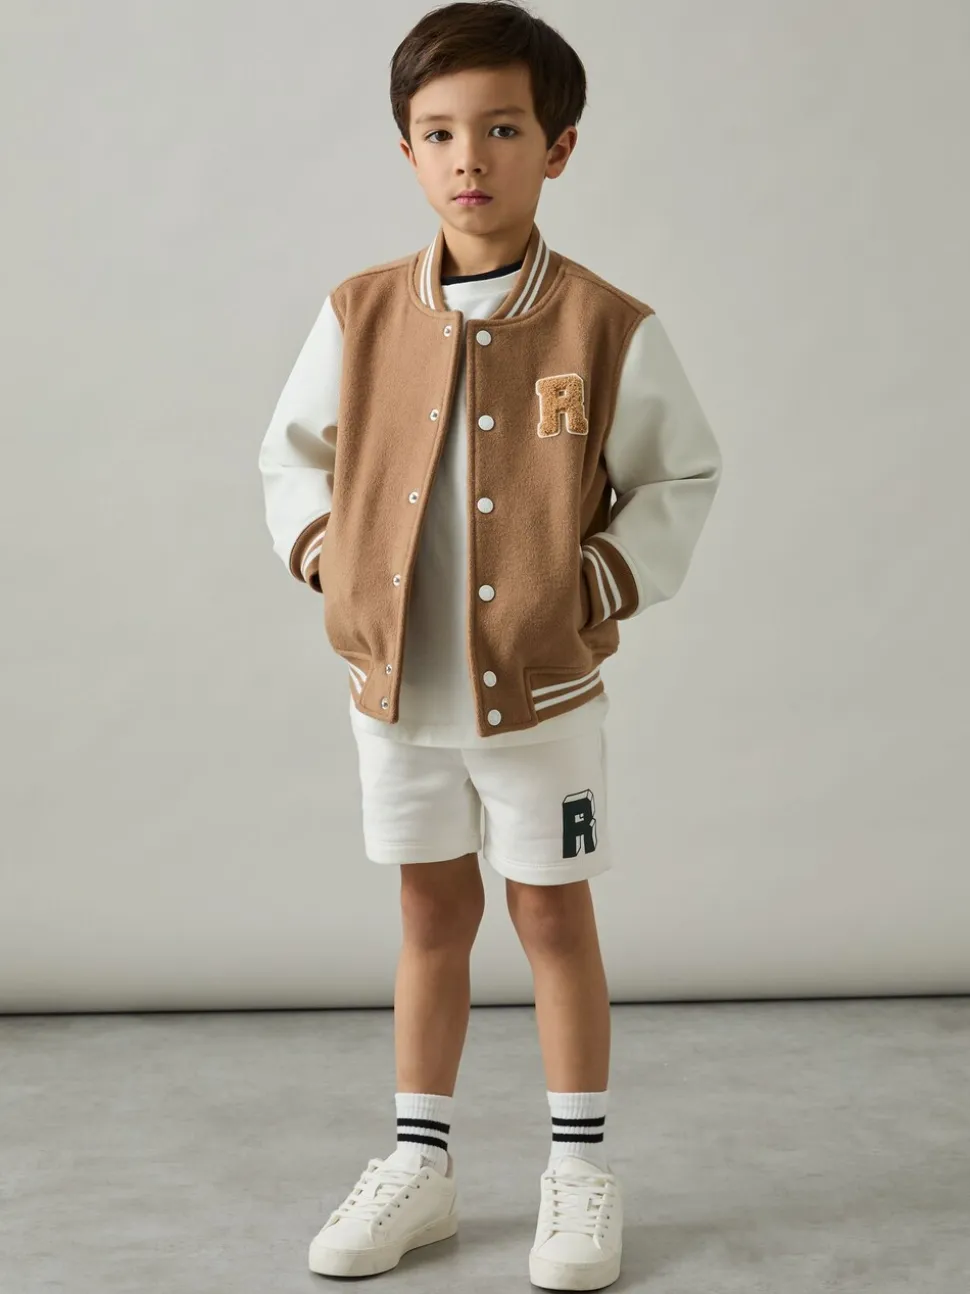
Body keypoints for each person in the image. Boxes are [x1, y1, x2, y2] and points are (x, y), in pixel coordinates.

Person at [258, 2, 721, 1287]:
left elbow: (678, 476)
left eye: (503, 129)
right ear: (408, 150)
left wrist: (591, 585)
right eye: (440, 132)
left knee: (551, 914)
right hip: (396, 693)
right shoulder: (358, 313)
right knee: (428, 910)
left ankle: (578, 1169)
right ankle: (422, 1162)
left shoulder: (605, 325)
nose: (471, 157)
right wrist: (332, 561)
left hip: (542, 694)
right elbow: (291, 459)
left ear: (556, 148)